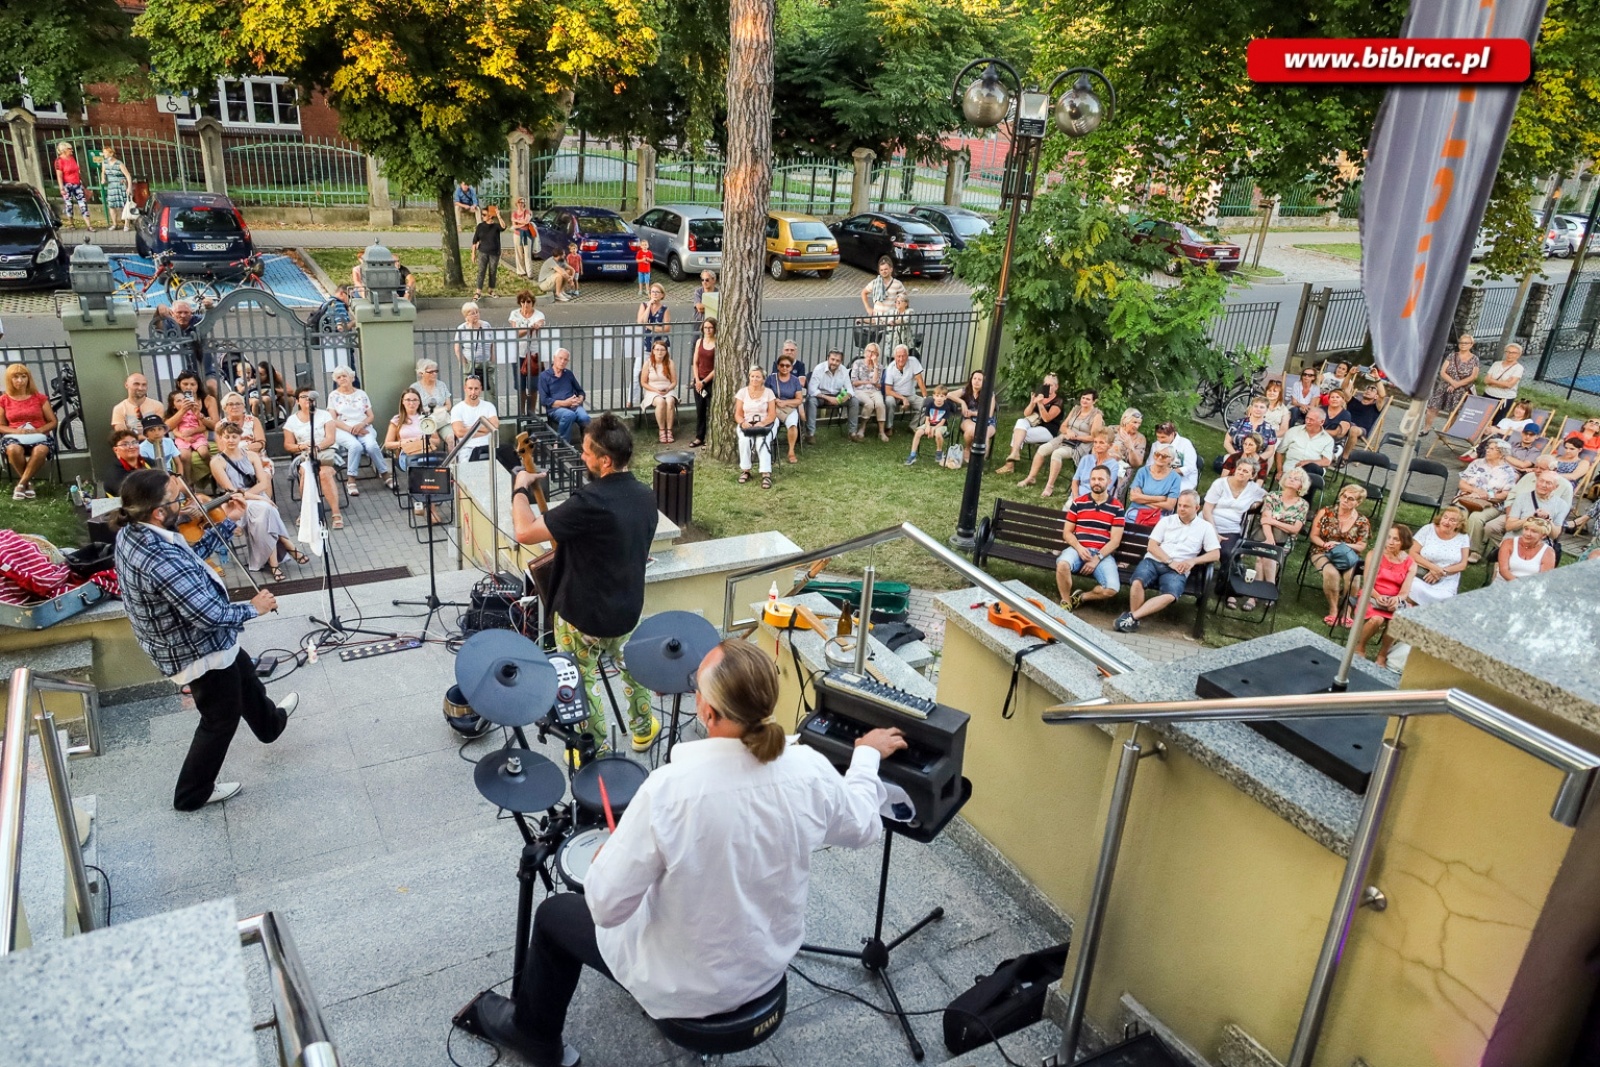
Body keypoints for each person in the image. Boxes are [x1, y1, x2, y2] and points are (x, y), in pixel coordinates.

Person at [465, 639, 902, 1067]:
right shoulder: (808, 768)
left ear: (707, 712)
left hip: (683, 992)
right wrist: (864, 758)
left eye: (697, 687)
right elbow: (864, 826)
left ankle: (535, 1037)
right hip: (765, 970)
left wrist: (604, 863)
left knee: (555, 915)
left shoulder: (669, 792)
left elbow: (606, 908)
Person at [113, 469, 293, 810]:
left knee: (243, 671)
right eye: (179, 498)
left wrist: (229, 522)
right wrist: (254, 609)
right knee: (219, 719)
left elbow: (190, 558)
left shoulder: (137, 532)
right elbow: (208, 615)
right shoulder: (156, 558)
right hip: (195, 649)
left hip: (198, 641)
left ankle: (269, 724)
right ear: (158, 512)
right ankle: (192, 794)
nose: (188, 502)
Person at [509, 414, 661, 752]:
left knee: (580, 678)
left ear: (605, 461)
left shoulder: (590, 502)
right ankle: (642, 728)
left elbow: (525, 531)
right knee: (631, 670)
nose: (582, 456)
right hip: (627, 610)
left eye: (587, 452)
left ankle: (593, 746)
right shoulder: (645, 496)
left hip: (583, 616)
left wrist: (520, 486)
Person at [210, 422, 305, 582]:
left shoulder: (252, 455)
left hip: (256, 497)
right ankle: (289, 546)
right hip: (236, 503)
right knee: (268, 509)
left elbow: (263, 482)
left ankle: (274, 564)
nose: (231, 440)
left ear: (240, 437)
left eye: (234, 436)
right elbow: (232, 491)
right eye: (226, 437)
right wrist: (260, 498)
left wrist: (259, 497)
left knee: (266, 514)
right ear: (221, 438)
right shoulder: (217, 462)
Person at [1115, 490, 1220, 633]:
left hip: (1179, 569)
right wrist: (1170, 561)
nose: (1181, 509)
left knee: (1170, 595)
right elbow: (1152, 546)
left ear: (1197, 508)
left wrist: (1193, 561)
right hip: (1154, 560)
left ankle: (1132, 617)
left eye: (1186, 506)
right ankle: (1133, 620)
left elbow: (1215, 554)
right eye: (1180, 505)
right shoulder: (1166, 521)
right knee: (1137, 582)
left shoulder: (1205, 527)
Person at [1057, 463, 1126, 611]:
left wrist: (1097, 558)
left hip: (1103, 554)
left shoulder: (1117, 507)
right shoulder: (1078, 503)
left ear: (1109, 481)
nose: (1096, 482)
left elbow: (1115, 541)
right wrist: (1078, 547)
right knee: (1063, 564)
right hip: (1078, 549)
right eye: (1093, 479)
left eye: (1100, 479)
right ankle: (1065, 601)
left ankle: (1081, 597)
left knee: (1111, 589)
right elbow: (1067, 533)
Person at [282, 389, 345, 529]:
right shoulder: (292, 420)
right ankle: (307, 513)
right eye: (303, 397)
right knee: (306, 472)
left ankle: (336, 513)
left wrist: (317, 447)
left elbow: (330, 438)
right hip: (304, 454)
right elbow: (288, 445)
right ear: (297, 401)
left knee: (324, 474)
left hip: (325, 452)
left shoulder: (324, 415)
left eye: (310, 397)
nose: (307, 400)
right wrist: (302, 446)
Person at [1309, 483, 1370, 627]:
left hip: (1348, 556)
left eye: (1351, 499)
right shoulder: (1325, 512)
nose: (1345, 500)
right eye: (1344, 496)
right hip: (1322, 551)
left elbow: (1361, 546)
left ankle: (1347, 611)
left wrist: (1341, 545)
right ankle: (1333, 609)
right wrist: (1326, 544)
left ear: (1358, 502)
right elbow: (1314, 536)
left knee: (1354, 578)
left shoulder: (1362, 522)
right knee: (1332, 574)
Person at [1356, 526, 1415, 667]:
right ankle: (1360, 646)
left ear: (1404, 543)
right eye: (1388, 537)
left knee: (1398, 621)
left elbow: (1405, 592)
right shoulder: (1374, 554)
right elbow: (1368, 582)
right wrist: (1377, 596)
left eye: (1396, 539)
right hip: (1372, 594)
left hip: (1393, 599)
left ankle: (1382, 654)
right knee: (1377, 619)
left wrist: (1397, 599)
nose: (1390, 542)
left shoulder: (1411, 563)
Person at [327, 365, 391, 492]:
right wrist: (351, 429)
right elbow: (332, 420)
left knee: (372, 445)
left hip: (363, 426)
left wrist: (361, 425)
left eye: (344, 376)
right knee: (355, 446)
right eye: (339, 377)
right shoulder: (333, 396)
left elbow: (370, 416)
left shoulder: (361, 394)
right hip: (342, 429)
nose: (342, 379)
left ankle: (385, 474)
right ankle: (351, 480)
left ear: (352, 377)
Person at [1458, 440, 1521, 562]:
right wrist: (1475, 490)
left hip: (1492, 504)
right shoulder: (1477, 463)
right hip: (1467, 498)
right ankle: (1451, 544)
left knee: (1476, 518)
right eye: (1488, 448)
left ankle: (1474, 551)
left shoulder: (1509, 472)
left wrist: (1487, 495)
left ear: (1501, 454)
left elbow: (1505, 494)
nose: (1488, 450)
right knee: (1459, 513)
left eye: (1493, 449)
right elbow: (1462, 483)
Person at [0, 364, 56, 500]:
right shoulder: (4, 400)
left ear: (28, 378)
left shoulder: (39, 398)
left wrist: (39, 430)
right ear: (9, 380)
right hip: (14, 436)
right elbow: (0, 425)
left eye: (23, 376)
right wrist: (17, 432)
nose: (20, 380)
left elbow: (52, 421)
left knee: (41, 450)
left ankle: (21, 484)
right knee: (13, 449)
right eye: (16, 377)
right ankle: (28, 484)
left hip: (38, 435)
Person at [1484, 470, 1570, 558]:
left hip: (1540, 545)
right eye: (1541, 481)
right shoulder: (1522, 498)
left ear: (1556, 487)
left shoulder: (1561, 505)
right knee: (1504, 562)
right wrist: (1530, 518)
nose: (1543, 485)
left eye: (1548, 483)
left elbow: (1554, 535)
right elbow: (1509, 526)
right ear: (1536, 481)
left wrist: (1548, 519)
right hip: (1515, 540)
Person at [1202, 457, 1267, 567]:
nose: (1241, 472)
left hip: (1230, 529)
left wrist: (1255, 504)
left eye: (1245, 471)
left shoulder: (1253, 489)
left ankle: (1222, 581)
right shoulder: (1220, 484)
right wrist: (1214, 532)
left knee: (1228, 554)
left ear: (1252, 476)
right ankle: (1194, 577)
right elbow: (1206, 509)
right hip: (1208, 524)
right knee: (1201, 550)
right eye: (1239, 469)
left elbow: (1267, 496)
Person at [1255, 467, 1310, 592]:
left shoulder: (1303, 505)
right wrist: (1269, 538)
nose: (1291, 480)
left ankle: (1262, 592)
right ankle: (1265, 591)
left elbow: (1295, 529)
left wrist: (1274, 521)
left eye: (1296, 479)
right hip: (1265, 535)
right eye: (1289, 477)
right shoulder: (1272, 496)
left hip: (1286, 540)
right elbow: (1265, 520)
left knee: (1267, 555)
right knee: (1263, 555)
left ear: (1301, 486)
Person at [996, 374, 1063, 474]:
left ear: (1056, 387)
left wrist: (1040, 404)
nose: (1047, 387)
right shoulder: (1040, 395)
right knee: (1020, 422)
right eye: (1045, 384)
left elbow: (1047, 418)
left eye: (1051, 385)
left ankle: (1010, 464)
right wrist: (1032, 403)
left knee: (1017, 434)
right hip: (1033, 425)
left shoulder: (1058, 401)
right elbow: (1026, 414)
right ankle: (1014, 454)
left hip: (1048, 431)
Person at [1408, 506, 1470, 609]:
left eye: (1452, 520)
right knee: (1414, 588)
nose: (1447, 522)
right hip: (1422, 573)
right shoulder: (1428, 529)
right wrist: (1433, 568)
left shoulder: (1463, 537)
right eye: (1445, 517)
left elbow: (1463, 565)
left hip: (1447, 578)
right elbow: (1412, 553)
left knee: (1444, 599)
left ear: (1459, 524)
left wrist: (1442, 572)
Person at [164, 370, 217, 487]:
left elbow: (215, 425)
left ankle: (216, 475)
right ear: (179, 384)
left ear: (198, 385)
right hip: (183, 438)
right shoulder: (176, 400)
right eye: (185, 384)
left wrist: (200, 417)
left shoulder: (208, 400)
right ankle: (187, 483)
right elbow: (167, 427)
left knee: (205, 453)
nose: (189, 387)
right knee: (184, 456)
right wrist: (182, 410)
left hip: (205, 436)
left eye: (193, 384)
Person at [1426, 335, 1480, 434]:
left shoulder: (1475, 359)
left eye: (1466, 343)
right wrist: (1453, 382)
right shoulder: (1451, 355)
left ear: (1471, 345)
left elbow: (1473, 376)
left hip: (1461, 389)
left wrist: (1457, 385)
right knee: (1432, 407)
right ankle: (1426, 428)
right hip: (1444, 386)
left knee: (1453, 411)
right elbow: (1442, 372)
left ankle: (1445, 432)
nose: (1463, 345)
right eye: (1461, 342)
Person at [735, 366, 778, 489]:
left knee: (761, 441)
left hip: (766, 424)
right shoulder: (742, 392)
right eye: (752, 376)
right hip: (747, 423)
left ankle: (766, 474)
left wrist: (762, 423)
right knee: (744, 440)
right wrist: (742, 422)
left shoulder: (769, 393)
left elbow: (772, 414)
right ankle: (746, 470)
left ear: (763, 379)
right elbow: (738, 414)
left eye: (758, 376)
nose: (754, 379)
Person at [538, 349, 591, 442]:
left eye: (565, 359)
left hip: (574, 406)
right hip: (556, 409)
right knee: (569, 415)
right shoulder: (544, 376)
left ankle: (587, 445)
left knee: (585, 418)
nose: (562, 361)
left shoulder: (568, 374)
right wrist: (565, 403)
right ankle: (561, 445)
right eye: (560, 358)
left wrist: (580, 400)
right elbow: (544, 400)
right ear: (554, 358)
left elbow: (580, 392)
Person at [1275, 406, 1335, 483]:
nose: (1308, 421)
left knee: (1311, 468)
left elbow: (1326, 462)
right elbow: (1279, 452)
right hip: (1292, 467)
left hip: (1314, 471)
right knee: (1301, 475)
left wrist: (1308, 462)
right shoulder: (1293, 431)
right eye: (1307, 418)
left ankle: (1301, 490)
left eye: (1311, 420)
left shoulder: (1327, 439)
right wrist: (1279, 470)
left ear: (1321, 422)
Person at [510, 291, 547, 415]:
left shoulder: (538, 314)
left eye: (528, 301)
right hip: (518, 354)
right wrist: (530, 327)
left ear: (533, 302)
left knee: (533, 385)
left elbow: (541, 322)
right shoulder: (514, 314)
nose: (526, 304)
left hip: (534, 354)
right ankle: (521, 411)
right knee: (521, 385)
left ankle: (531, 411)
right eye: (523, 301)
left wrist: (537, 324)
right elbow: (517, 332)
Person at [1218, 397, 1278, 472]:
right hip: (1236, 456)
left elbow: (1270, 451)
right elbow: (1227, 442)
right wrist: (1236, 456)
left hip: (1256, 460)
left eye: (1262, 407)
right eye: (1256, 406)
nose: (1258, 409)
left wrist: (1256, 459)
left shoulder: (1270, 429)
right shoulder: (1238, 423)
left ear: (1266, 410)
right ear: (1251, 408)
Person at [807, 347, 854, 440]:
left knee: (854, 401)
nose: (834, 362)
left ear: (841, 361)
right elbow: (812, 390)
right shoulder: (819, 368)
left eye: (837, 360)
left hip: (836, 396)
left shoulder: (843, 370)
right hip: (821, 395)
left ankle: (852, 433)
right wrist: (828, 398)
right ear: (828, 358)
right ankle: (810, 434)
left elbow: (850, 389)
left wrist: (843, 398)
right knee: (811, 401)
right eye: (832, 359)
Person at [450, 375, 501, 461]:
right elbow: (459, 432)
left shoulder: (489, 406)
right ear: (465, 388)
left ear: (481, 389)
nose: (473, 392)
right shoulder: (457, 409)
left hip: (489, 447)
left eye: (476, 389)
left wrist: (469, 429)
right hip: (467, 448)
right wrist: (485, 430)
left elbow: (495, 426)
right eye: (470, 388)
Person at [766, 352, 804, 463]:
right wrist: (775, 400)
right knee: (772, 425)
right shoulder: (771, 379)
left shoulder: (795, 380)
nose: (784, 368)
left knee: (792, 425)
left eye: (787, 365)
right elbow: (765, 395)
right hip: (774, 408)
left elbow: (799, 399)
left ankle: (791, 451)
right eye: (782, 365)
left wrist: (786, 402)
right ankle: (768, 449)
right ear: (777, 366)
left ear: (791, 367)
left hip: (789, 408)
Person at [1126, 445, 1182, 520]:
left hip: (1159, 514)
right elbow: (1133, 497)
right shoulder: (1143, 472)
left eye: (1164, 456)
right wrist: (1159, 499)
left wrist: (1142, 499)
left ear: (1171, 460)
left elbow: (1169, 505)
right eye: (1157, 454)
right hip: (1135, 511)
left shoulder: (1175, 478)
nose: (1159, 458)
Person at [905, 384, 957, 465]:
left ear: (945, 397)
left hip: (941, 426)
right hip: (928, 424)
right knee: (918, 432)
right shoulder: (930, 405)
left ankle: (939, 452)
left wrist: (933, 429)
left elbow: (942, 422)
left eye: (942, 396)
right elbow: (927, 419)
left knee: (938, 433)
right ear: (933, 396)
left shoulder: (946, 407)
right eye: (937, 395)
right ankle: (912, 454)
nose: (939, 398)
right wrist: (928, 427)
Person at [952, 370, 996, 464]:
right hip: (968, 419)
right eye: (974, 378)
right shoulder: (966, 390)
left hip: (986, 421)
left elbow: (989, 414)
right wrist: (962, 402)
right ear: (971, 379)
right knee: (971, 430)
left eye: (979, 379)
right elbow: (948, 395)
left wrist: (973, 413)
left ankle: (980, 462)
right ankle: (967, 449)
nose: (976, 381)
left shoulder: (989, 394)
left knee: (984, 434)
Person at [1065, 429, 1122, 501]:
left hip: (1097, 499)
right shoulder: (1086, 459)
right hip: (1078, 496)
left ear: (1110, 445)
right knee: (1068, 509)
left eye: (1101, 443)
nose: (1097, 445)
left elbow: (1106, 488)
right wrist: (1075, 497)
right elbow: (1075, 481)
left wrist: (1087, 502)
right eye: (1095, 442)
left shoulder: (1113, 465)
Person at [881, 344, 926, 434]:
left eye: (903, 356)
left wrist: (925, 397)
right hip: (894, 394)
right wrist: (903, 398)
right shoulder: (890, 369)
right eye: (898, 356)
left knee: (927, 405)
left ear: (907, 355)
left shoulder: (913, 361)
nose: (901, 359)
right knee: (889, 401)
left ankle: (913, 426)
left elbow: (920, 380)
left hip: (910, 394)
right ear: (894, 357)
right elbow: (888, 390)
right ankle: (889, 427)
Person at [848, 343, 889, 443]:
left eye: (873, 352)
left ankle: (881, 431)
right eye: (869, 351)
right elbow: (855, 382)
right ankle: (862, 427)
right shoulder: (858, 363)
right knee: (869, 404)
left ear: (877, 354)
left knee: (880, 404)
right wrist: (868, 382)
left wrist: (875, 366)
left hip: (874, 391)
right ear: (865, 352)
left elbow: (877, 383)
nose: (870, 354)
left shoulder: (879, 366)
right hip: (860, 391)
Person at [640, 341, 678, 444]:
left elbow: (674, 382)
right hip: (652, 391)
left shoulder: (670, 362)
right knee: (661, 402)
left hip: (668, 389)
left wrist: (668, 389)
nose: (660, 352)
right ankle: (662, 430)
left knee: (670, 401)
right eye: (657, 349)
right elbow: (643, 382)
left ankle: (669, 430)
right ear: (653, 351)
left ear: (666, 351)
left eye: (662, 350)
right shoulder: (648, 363)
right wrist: (656, 390)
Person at [1496, 516, 1556, 582]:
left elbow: (1542, 579)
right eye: (1526, 529)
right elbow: (1503, 570)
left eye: (1534, 531)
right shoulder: (1508, 543)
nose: (1528, 534)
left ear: (1543, 535)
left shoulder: (1548, 552)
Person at [689, 318, 718, 448]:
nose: (708, 330)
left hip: (710, 381)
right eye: (706, 327)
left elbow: (717, 367)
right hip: (698, 380)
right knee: (700, 410)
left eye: (710, 327)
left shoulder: (717, 343)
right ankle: (699, 436)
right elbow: (695, 362)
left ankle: (710, 437)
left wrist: (705, 381)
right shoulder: (699, 342)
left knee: (710, 410)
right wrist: (697, 380)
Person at [453, 301, 492, 393]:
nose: (475, 315)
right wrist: (464, 363)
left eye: (477, 312)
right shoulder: (462, 328)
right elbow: (457, 348)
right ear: (466, 316)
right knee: (470, 390)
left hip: (485, 362)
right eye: (472, 314)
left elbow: (492, 344)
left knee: (490, 389)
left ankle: (490, 407)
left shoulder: (486, 325)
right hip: (470, 363)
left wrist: (492, 360)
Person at [53, 143, 93, 232]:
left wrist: (82, 184)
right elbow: (59, 175)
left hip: (77, 184)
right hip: (66, 185)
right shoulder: (59, 161)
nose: (72, 150)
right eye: (69, 149)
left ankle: (89, 225)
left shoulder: (72, 158)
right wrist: (61, 188)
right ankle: (71, 223)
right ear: (63, 150)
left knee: (83, 204)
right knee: (69, 204)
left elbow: (77, 172)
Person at [1151, 422, 1199, 495]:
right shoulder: (1156, 445)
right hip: (1159, 476)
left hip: (1183, 480)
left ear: (1172, 434)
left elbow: (1190, 467)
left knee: (1168, 493)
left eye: (1163, 437)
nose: (1160, 440)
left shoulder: (1185, 444)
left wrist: (1169, 472)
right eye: (1158, 437)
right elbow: (1149, 464)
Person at [1482, 343, 1526, 422]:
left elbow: (1509, 385)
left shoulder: (1518, 368)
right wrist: (1502, 383)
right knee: (1483, 418)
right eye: (1508, 352)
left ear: (1519, 355)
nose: (1510, 354)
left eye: (1513, 353)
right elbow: (1486, 380)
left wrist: (1492, 381)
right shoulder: (1496, 364)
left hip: (1504, 398)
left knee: (1497, 420)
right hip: (1488, 394)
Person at [472, 205, 506, 299]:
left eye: (484, 214)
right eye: (482, 215)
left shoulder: (496, 226)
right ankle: (478, 292)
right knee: (481, 271)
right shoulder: (480, 226)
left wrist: (498, 215)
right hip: (483, 251)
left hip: (494, 253)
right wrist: (473, 254)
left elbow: (503, 227)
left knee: (492, 271)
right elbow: (475, 240)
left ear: (490, 216)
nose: (482, 216)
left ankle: (491, 290)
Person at [104, 429, 152, 495]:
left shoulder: (150, 462)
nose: (132, 447)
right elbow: (130, 494)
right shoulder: (114, 473)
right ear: (115, 450)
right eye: (125, 444)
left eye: (134, 442)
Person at [1346, 381, 1387, 452]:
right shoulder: (1353, 401)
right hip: (1345, 425)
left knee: (1353, 429)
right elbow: (1345, 389)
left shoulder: (1376, 407)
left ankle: (1345, 457)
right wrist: (1350, 374)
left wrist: (1377, 378)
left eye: (1372, 390)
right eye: (1367, 389)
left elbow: (1382, 395)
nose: (1368, 391)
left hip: (1360, 430)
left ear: (1376, 396)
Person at [100, 146, 131, 230]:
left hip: (120, 186)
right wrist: (103, 179)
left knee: (124, 205)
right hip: (111, 186)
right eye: (104, 152)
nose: (104, 154)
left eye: (106, 152)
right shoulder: (104, 163)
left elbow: (127, 175)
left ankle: (127, 224)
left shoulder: (119, 163)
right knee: (111, 205)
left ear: (111, 153)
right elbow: (103, 172)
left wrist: (129, 188)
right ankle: (114, 224)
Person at [637, 283, 671, 356]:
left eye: (657, 292)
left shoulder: (664, 309)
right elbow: (641, 321)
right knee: (641, 366)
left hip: (660, 345)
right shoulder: (644, 305)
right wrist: (649, 306)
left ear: (662, 295)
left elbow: (666, 328)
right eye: (653, 292)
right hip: (646, 343)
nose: (655, 294)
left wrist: (648, 326)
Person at [511, 197, 539, 277]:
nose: (521, 204)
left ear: (524, 204)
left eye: (522, 202)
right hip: (517, 235)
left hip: (527, 235)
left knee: (527, 254)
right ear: (516, 203)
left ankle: (529, 273)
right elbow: (514, 226)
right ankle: (521, 271)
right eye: (519, 202)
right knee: (519, 253)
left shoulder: (527, 212)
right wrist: (522, 223)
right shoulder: (514, 213)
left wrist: (518, 222)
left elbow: (526, 221)